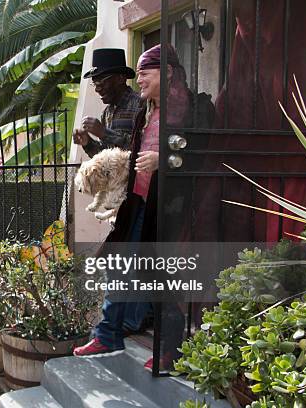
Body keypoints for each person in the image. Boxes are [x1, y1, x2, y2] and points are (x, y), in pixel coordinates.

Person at [74, 45, 214, 371]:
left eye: (143, 72)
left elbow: (203, 153)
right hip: (138, 202)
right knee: (120, 267)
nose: (139, 80)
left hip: (171, 208)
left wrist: (163, 160)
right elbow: (125, 155)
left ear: (165, 72)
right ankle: (108, 334)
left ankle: (169, 349)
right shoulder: (145, 112)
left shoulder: (194, 109)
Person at [72, 48, 142, 157]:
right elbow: (106, 156)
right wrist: (88, 143)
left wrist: (104, 132)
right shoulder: (107, 113)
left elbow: (142, 147)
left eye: (100, 82)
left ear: (120, 78)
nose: (97, 89)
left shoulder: (141, 104)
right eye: (94, 84)